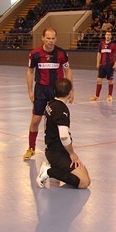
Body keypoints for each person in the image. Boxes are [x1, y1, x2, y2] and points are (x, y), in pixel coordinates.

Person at [23, 27, 73, 161]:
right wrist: (29, 90)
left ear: (56, 38)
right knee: (35, 120)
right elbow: (29, 72)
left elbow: (68, 71)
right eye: (48, 38)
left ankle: (59, 148)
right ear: (43, 38)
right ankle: (31, 148)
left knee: (56, 121)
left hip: (56, 91)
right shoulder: (35, 54)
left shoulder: (61, 53)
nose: (50, 41)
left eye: (53, 38)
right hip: (40, 90)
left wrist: (70, 90)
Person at [36, 78, 90, 189]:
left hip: (55, 150)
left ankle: (53, 167)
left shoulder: (51, 103)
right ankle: (49, 171)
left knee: (84, 172)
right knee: (84, 182)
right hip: (57, 153)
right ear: (70, 93)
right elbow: (64, 137)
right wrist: (72, 154)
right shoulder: (61, 109)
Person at [90, 30, 116, 102]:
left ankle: (110, 96)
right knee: (99, 80)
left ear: (111, 36)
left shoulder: (113, 45)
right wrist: (97, 63)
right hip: (102, 65)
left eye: (109, 35)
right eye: (107, 35)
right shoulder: (101, 44)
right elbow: (99, 53)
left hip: (110, 65)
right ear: (105, 35)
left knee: (110, 80)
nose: (108, 36)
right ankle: (97, 96)